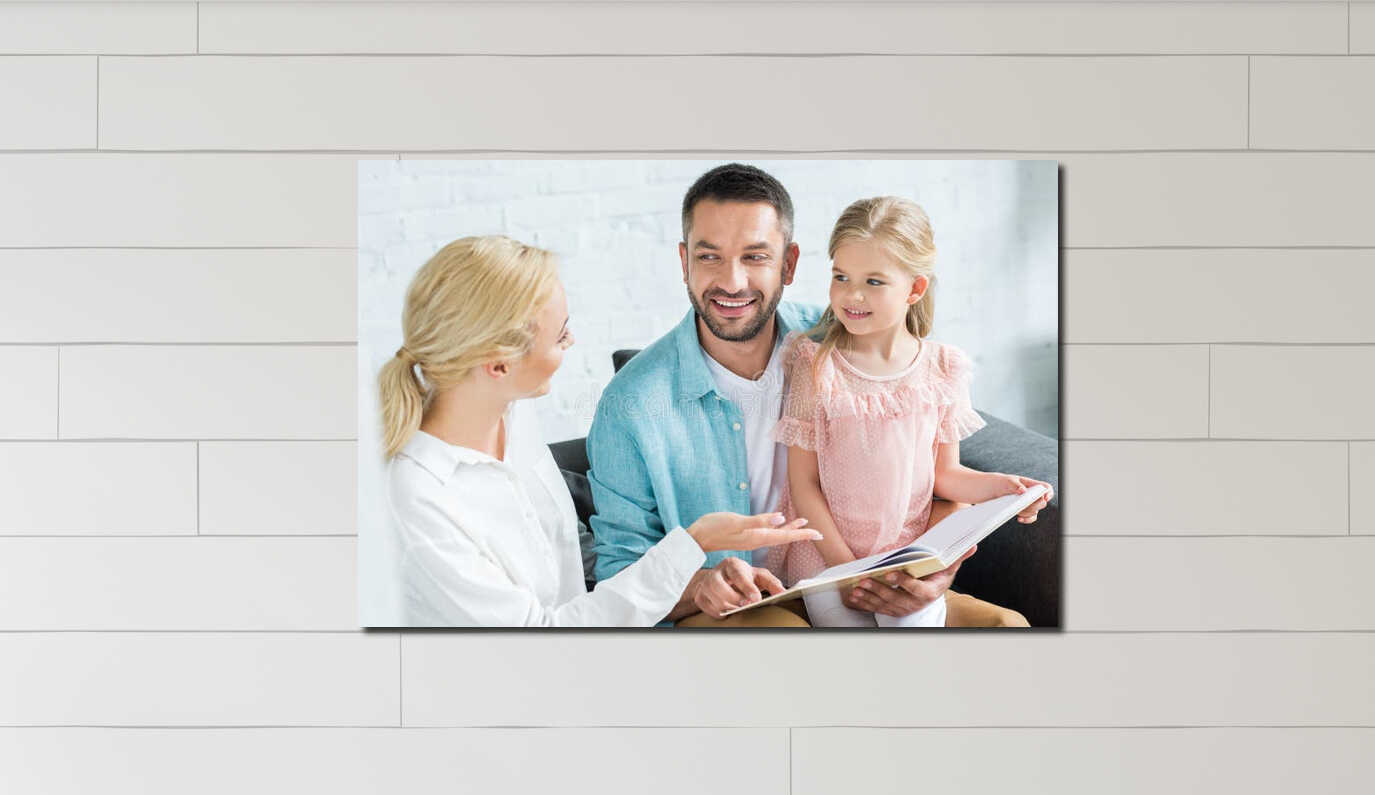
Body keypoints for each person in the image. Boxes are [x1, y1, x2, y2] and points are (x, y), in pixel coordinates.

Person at [586, 163, 1030, 628]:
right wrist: (698, 585)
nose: (732, 282)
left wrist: (934, 572)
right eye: (709, 256)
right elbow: (618, 575)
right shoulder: (630, 404)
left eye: (755, 257)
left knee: (1006, 628)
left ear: (790, 264)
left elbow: (933, 476)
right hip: (736, 609)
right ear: (684, 262)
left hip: (870, 578)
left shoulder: (846, 341)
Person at [377, 235, 818, 628]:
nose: (571, 342)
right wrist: (692, 543)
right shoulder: (418, 501)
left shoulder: (508, 414)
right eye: (560, 335)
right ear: (498, 365)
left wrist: (698, 582)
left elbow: (577, 559)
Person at [774, 196, 1050, 628]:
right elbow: (803, 484)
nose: (852, 294)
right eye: (841, 276)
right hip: (829, 562)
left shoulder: (943, 368)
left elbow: (947, 475)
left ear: (915, 289)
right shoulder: (816, 365)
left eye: (874, 281)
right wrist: (846, 570)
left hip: (908, 560)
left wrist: (1007, 489)